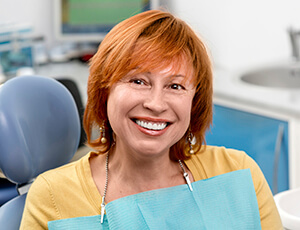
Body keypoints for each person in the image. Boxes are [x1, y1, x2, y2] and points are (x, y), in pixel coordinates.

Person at [20, 10, 282, 229]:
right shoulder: (52, 199)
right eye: (138, 81)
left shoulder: (238, 173)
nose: (156, 104)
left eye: (176, 86)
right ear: (104, 90)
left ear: (195, 102)